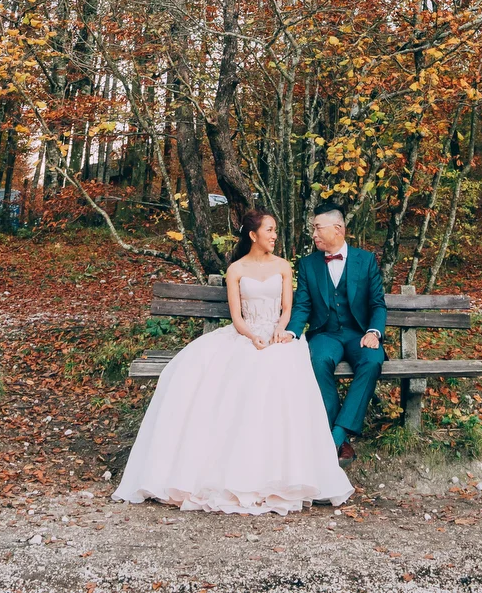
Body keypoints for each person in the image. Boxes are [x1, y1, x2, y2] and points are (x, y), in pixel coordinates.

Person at [112, 209, 353, 514]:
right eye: (269, 230)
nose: (274, 235)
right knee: (216, 371)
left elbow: (287, 310)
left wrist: (280, 331)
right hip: (247, 334)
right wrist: (253, 337)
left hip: (278, 336)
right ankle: (226, 470)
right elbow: (237, 318)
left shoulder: (283, 266)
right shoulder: (236, 270)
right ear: (253, 235)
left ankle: (285, 471)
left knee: (283, 370)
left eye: (275, 230)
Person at [287, 202, 387, 460]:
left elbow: (377, 304)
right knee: (318, 360)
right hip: (325, 334)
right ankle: (339, 440)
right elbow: (302, 305)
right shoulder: (308, 264)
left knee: (372, 360)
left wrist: (374, 332)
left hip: (358, 334)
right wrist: (292, 333)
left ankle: (337, 435)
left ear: (338, 229)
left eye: (318, 228)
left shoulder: (365, 260)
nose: (314, 234)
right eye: (313, 228)